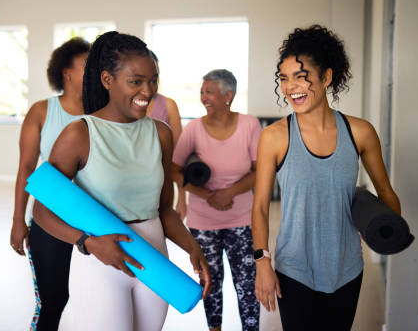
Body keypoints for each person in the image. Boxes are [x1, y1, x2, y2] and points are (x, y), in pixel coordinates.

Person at [33, 31, 211, 331]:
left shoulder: (161, 133)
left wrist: (193, 247)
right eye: (136, 81)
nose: (147, 91)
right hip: (101, 262)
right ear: (107, 80)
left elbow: (163, 209)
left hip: (153, 257)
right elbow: (42, 210)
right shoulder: (80, 133)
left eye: (153, 80)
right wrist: (87, 242)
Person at [251, 25, 402, 331]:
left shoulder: (360, 132)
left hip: (347, 268)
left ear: (326, 77)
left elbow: (386, 192)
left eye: (300, 76)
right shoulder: (274, 137)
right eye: (284, 78)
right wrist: (262, 262)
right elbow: (261, 207)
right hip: (294, 269)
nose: (290, 87)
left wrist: (384, 228)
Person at [9, 37, 90, 331]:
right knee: (52, 300)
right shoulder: (42, 111)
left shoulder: (103, 111)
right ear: (66, 73)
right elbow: (26, 168)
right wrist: (18, 219)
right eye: (87, 65)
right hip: (49, 217)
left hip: (94, 219)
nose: (95, 70)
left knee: (92, 301)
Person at [172, 69, 261, 331]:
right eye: (202, 92)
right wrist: (207, 195)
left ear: (228, 95)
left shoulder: (249, 125)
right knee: (210, 282)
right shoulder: (194, 129)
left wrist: (228, 193)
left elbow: (260, 171)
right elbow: (174, 169)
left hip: (241, 220)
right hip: (203, 221)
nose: (203, 98)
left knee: (247, 284)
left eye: (209, 92)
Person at [146, 50, 186, 211]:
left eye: (154, 77)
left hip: (162, 187)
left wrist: (182, 199)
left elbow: (179, 157)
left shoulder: (168, 105)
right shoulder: (122, 106)